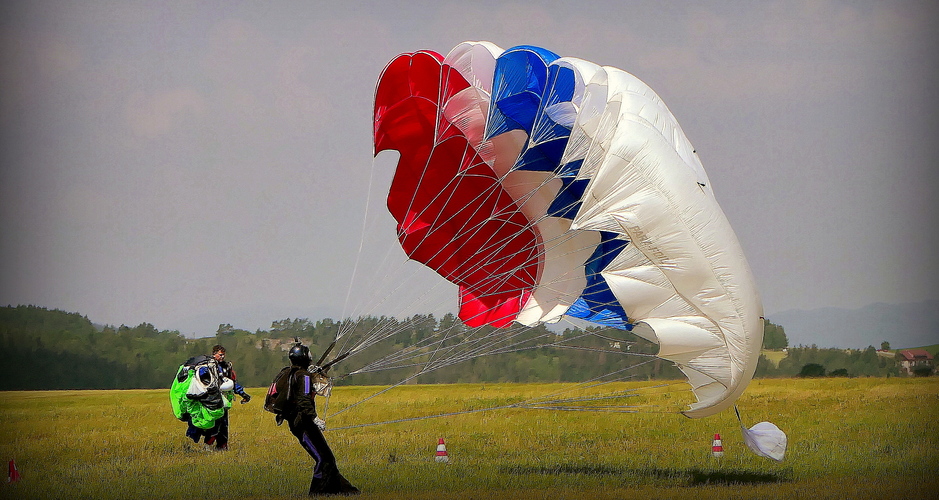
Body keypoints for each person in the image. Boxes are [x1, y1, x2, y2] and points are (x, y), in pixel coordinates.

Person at [275, 342, 359, 496]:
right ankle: (317, 493)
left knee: (328, 459)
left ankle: (344, 490)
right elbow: (303, 400)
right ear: (306, 358)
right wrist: (315, 418)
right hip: (304, 424)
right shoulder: (304, 376)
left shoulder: (290, 372)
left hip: (298, 422)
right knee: (323, 459)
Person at [208, 344, 251, 451]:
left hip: (223, 400)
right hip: (211, 399)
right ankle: (208, 444)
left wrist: (242, 394)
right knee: (213, 423)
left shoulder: (226, 367)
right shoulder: (208, 366)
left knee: (223, 424)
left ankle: (222, 446)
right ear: (214, 354)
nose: (222, 357)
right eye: (220, 355)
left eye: (223, 355)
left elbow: (232, 383)